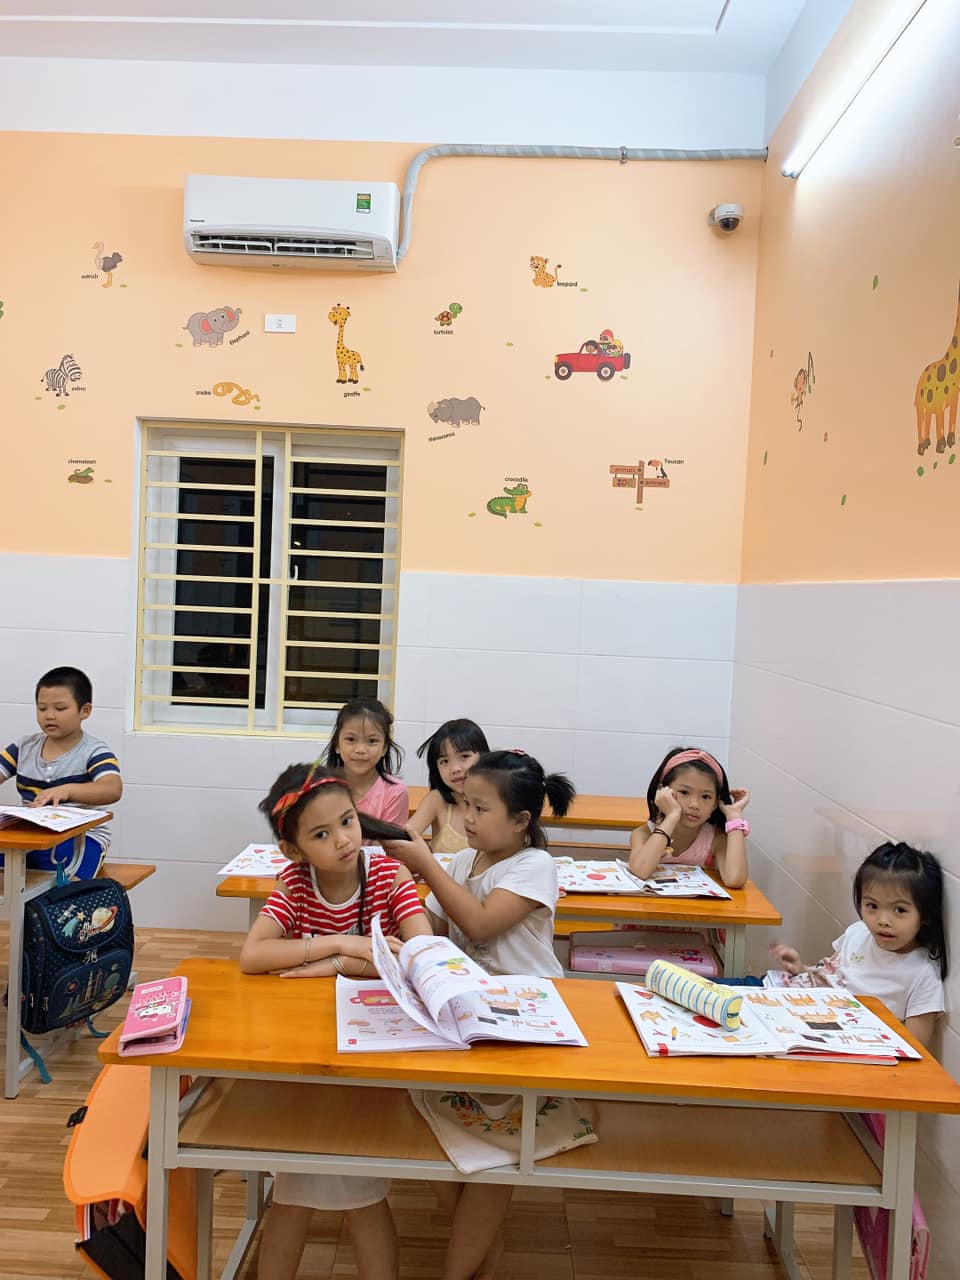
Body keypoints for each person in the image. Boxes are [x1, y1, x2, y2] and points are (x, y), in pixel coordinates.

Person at [384, 749, 575, 1280]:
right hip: (470, 1013)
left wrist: (425, 865)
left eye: (481, 808)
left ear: (520, 821)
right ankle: (483, 1252)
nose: (466, 817)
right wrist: (397, 915)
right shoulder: (465, 861)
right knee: (431, 1124)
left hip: (527, 1018)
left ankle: (466, 1265)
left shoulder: (535, 866)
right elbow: (435, 931)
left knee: (498, 1149)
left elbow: (481, 924)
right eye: (465, 804)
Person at [241, 762, 432, 1280]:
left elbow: (423, 956)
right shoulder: (295, 882)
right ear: (295, 850)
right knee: (293, 1189)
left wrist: (334, 965)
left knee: (360, 1189)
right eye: (321, 834)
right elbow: (253, 955)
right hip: (305, 1057)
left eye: (348, 821)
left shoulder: (388, 876)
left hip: (371, 1060)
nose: (344, 840)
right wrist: (347, 944)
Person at [754, 842, 947, 1048]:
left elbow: (914, 1050)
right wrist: (801, 968)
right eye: (872, 906)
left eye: (899, 910)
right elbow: (833, 980)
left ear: (925, 914)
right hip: (782, 997)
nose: (883, 920)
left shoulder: (923, 975)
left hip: (825, 1039)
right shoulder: (858, 932)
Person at [0, 666, 122, 878]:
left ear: (85, 711)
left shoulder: (94, 751)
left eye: (60, 708)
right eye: (42, 708)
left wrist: (66, 790)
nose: (49, 716)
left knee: (67, 885)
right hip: (32, 836)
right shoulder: (23, 747)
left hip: (81, 838)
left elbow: (112, 789)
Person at [628, 746, 749, 888]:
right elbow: (640, 871)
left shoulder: (715, 839)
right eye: (684, 792)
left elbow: (735, 879)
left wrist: (734, 816)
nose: (695, 805)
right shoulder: (643, 833)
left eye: (706, 796)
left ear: (715, 803)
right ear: (663, 792)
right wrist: (672, 816)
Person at [407, 718, 490, 855]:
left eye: (464, 756)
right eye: (444, 761)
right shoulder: (437, 800)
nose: (455, 769)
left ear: (483, 756)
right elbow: (407, 834)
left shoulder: (497, 799)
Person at [322, 697, 408, 826]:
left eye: (372, 741)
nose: (361, 750)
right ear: (337, 745)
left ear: (384, 748)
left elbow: (390, 839)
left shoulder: (395, 793)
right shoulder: (320, 789)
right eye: (351, 739)